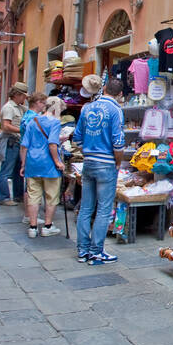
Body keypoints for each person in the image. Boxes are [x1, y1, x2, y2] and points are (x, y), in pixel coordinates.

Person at [74, 74, 125, 265]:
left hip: (88, 162)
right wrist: (118, 162)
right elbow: (118, 143)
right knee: (103, 210)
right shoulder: (116, 110)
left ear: (104, 89)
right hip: (106, 163)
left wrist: (89, 149)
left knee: (86, 208)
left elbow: (77, 139)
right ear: (120, 94)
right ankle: (96, 252)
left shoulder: (87, 109)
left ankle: (82, 250)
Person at [20, 92, 65, 238]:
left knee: (34, 196)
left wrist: (23, 164)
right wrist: (58, 162)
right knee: (51, 196)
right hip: (49, 165)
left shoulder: (33, 121)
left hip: (32, 163)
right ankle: (47, 226)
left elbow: (24, 146)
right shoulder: (55, 122)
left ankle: (32, 227)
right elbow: (52, 144)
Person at [0, 82, 29, 207]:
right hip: (11, 141)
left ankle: (18, 195)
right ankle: (4, 197)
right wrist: (21, 130)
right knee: (6, 170)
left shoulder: (20, 107)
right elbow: (6, 126)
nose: (24, 98)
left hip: (18, 142)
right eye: (23, 96)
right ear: (17, 95)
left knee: (18, 171)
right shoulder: (9, 107)